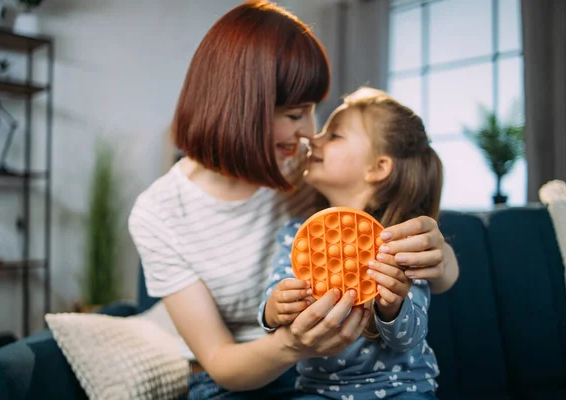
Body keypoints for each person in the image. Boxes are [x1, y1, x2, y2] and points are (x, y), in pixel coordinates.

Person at [128, 2, 458, 398]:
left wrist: (437, 256)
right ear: (241, 109)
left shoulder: (305, 170)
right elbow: (224, 360)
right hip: (255, 375)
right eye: (296, 114)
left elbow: (429, 276)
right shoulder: (159, 213)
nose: (309, 134)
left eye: (314, 113)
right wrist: (289, 337)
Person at [260, 87, 443, 399]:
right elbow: (274, 303)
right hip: (317, 391)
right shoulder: (297, 233)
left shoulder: (403, 240)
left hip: (401, 390)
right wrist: (273, 310)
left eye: (334, 135)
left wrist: (392, 305)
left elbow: (408, 338)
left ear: (378, 168)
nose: (312, 139)